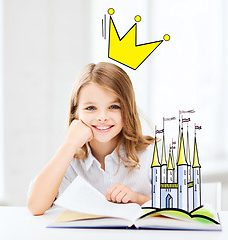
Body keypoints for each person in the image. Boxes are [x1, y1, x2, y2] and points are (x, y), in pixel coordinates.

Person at [27, 62, 155, 215]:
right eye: (91, 108)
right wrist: (69, 144)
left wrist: (137, 199)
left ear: (128, 109)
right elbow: (35, 206)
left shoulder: (152, 154)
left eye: (114, 107)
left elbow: (179, 209)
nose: (102, 117)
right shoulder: (70, 157)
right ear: (76, 112)